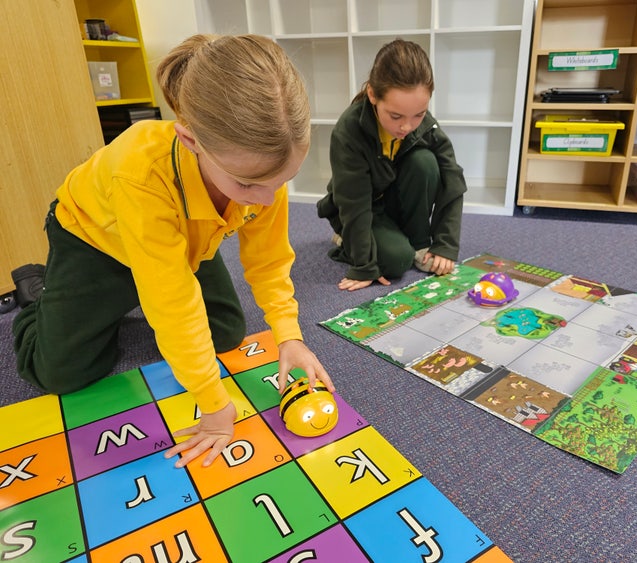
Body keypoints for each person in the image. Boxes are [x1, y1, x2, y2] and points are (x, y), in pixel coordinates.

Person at [11, 34, 334, 468]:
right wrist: (215, 407)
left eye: (279, 183)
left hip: (186, 239)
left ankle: (117, 300)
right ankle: (39, 292)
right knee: (61, 374)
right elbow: (173, 305)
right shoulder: (140, 173)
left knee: (224, 335)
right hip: (95, 240)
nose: (265, 199)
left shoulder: (262, 169)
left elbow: (269, 260)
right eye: (247, 185)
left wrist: (288, 334)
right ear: (191, 141)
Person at [316, 38, 467, 292]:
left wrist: (445, 244)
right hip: (359, 207)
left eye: (418, 114)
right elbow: (354, 205)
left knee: (425, 161)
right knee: (396, 260)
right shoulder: (349, 131)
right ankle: (347, 240)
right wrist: (364, 265)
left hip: (394, 199)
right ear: (373, 94)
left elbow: (452, 178)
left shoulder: (424, 125)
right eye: (396, 116)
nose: (407, 127)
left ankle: (418, 243)